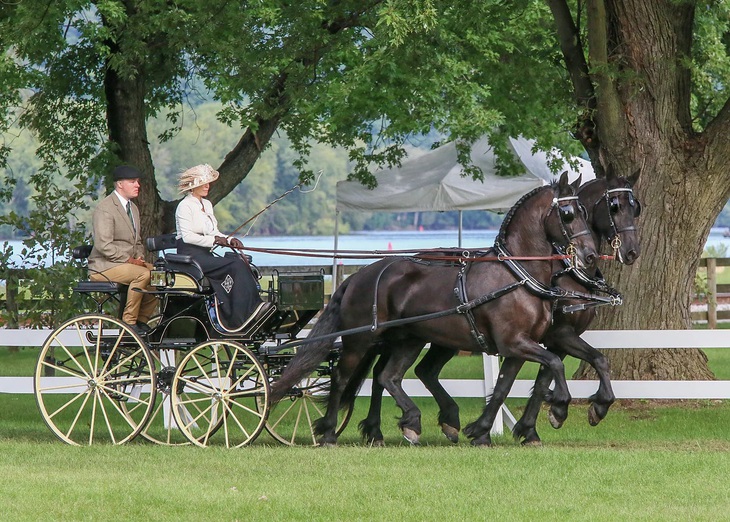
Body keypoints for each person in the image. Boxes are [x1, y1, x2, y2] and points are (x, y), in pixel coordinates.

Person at [175, 164, 275, 332]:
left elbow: (214, 231)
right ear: (194, 185)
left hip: (206, 254)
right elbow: (188, 237)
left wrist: (229, 240)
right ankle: (241, 315)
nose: (208, 186)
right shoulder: (184, 206)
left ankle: (252, 308)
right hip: (190, 257)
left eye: (209, 183)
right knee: (235, 266)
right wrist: (214, 240)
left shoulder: (206, 204)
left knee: (240, 262)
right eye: (204, 183)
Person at [88, 165, 157, 335]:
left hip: (126, 264)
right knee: (143, 274)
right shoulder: (105, 208)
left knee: (159, 275)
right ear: (120, 184)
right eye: (132, 182)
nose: (137, 185)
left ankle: (142, 321)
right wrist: (130, 261)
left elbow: (137, 242)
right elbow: (104, 245)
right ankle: (129, 322)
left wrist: (139, 257)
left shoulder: (133, 208)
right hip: (104, 266)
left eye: (138, 182)